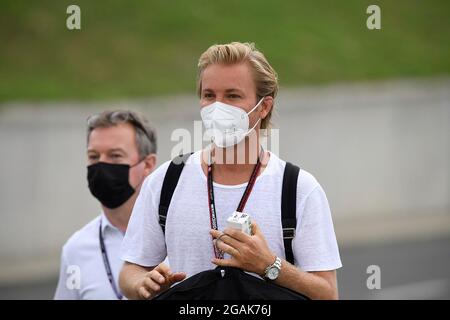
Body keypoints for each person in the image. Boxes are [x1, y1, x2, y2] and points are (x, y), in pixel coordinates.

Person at [119, 42, 342, 300]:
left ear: (264, 106)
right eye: (209, 95)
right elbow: (131, 269)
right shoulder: (166, 180)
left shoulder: (299, 189)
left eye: (233, 96)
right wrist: (141, 284)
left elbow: (327, 294)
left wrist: (269, 265)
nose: (217, 107)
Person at [54, 110, 157, 299]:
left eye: (115, 155)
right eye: (94, 156)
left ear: (148, 165)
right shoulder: (76, 249)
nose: (101, 166)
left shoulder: (175, 237)